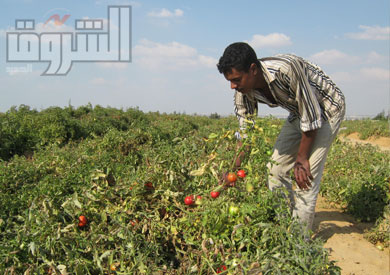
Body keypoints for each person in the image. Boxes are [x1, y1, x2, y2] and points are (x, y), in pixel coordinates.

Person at [217, 42, 345, 233]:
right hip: (298, 111)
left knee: (304, 180)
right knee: (275, 170)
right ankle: (284, 228)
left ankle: (299, 244)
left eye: (236, 79)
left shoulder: (286, 69)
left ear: (253, 69)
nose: (232, 86)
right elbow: (246, 134)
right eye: (229, 80)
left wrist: (302, 159)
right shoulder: (243, 92)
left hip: (326, 109)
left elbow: (311, 115)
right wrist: (232, 171)